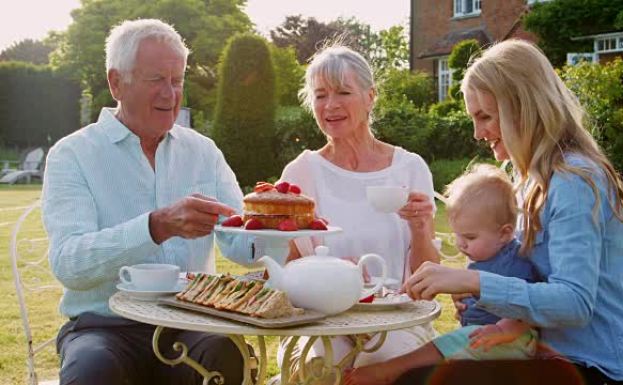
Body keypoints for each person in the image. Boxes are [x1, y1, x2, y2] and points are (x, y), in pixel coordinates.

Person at [400, 39, 623, 385]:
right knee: (417, 375)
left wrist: (473, 280)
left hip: (598, 368)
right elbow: (524, 277)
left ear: (524, 108)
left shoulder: (573, 179)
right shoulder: (527, 181)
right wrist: (482, 298)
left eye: (485, 116)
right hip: (540, 354)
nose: (477, 132)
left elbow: (575, 303)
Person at [42, 19, 255, 385]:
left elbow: (241, 239)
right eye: (156, 79)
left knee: (226, 352)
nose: (170, 94)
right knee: (92, 370)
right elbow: (69, 264)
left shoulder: (202, 151)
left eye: (177, 81)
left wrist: (280, 231)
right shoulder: (73, 154)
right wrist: (154, 226)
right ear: (115, 83)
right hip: (104, 328)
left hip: (190, 324)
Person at [275, 44, 439, 376]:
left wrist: (421, 228)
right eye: (320, 95)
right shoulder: (300, 173)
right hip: (320, 319)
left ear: (370, 97)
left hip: (395, 319)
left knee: (381, 362)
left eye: (343, 92)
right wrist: (329, 275)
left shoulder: (409, 169)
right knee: (319, 368)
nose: (331, 105)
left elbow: (427, 278)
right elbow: (284, 271)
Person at [344, 163, 539, 385]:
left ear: (505, 233)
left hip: (514, 339)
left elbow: (527, 308)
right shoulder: (487, 257)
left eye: (470, 238)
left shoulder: (514, 262)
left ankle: (391, 369)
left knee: (447, 343)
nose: (461, 245)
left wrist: (501, 329)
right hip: (487, 337)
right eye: (458, 236)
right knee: (452, 346)